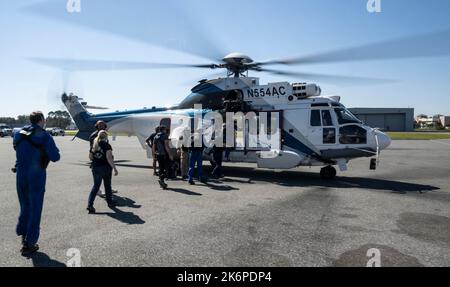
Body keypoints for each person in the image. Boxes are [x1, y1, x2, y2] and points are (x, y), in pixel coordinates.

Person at [13, 111, 60, 256]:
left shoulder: (18, 133)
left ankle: (22, 232)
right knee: (35, 207)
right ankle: (29, 243)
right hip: (36, 176)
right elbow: (55, 157)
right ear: (40, 120)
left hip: (20, 175)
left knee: (24, 205)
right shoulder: (44, 135)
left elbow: (18, 150)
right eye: (44, 120)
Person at [87, 130, 118, 214]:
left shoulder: (94, 145)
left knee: (96, 186)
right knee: (107, 186)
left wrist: (97, 160)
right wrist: (114, 168)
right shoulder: (107, 145)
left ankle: (90, 205)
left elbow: (90, 157)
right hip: (106, 168)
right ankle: (110, 202)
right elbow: (109, 158)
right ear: (106, 137)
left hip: (96, 168)